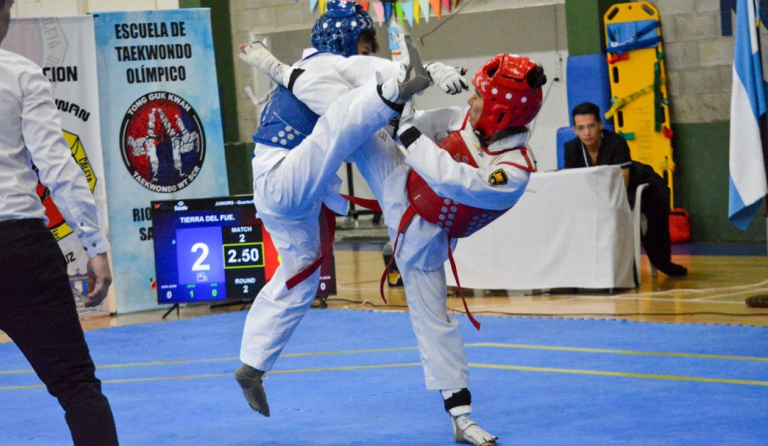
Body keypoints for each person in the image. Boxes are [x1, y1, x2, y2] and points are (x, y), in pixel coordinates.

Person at [246, 36, 545, 443]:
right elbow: (428, 123)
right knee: (352, 111)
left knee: (436, 322)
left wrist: (406, 130)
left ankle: (461, 418)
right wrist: (413, 96)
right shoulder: (467, 121)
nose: (471, 100)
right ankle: (284, 72)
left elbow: (454, 180)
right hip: (398, 184)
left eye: (479, 96)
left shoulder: (514, 170)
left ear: (501, 111)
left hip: (424, 243)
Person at [233, 6, 433, 424]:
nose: (367, 51)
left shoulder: (334, 74)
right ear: (340, 41)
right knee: (346, 121)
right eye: (363, 43)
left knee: (301, 278)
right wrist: (408, 81)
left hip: (292, 197)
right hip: (282, 179)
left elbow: (369, 93)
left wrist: (418, 89)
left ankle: (253, 365)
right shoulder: (320, 67)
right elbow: (363, 93)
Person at [0, 1, 119, 444]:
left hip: (15, 244)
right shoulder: (18, 73)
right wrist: (94, 246)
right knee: (76, 385)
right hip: (18, 248)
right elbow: (58, 168)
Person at [563, 102, 687, 277]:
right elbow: (574, 182)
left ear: (600, 125)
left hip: (640, 185)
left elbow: (623, 181)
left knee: (650, 216)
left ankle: (661, 263)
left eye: (591, 126)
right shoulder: (571, 148)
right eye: (581, 128)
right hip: (602, 193)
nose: (587, 133)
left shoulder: (616, 142)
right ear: (574, 130)